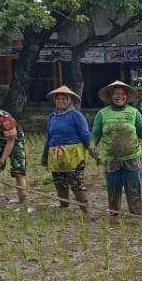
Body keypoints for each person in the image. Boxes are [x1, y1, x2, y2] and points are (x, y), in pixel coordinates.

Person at [91, 80, 142, 216]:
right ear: (111, 96)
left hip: (132, 158)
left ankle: (136, 216)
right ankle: (114, 217)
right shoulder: (102, 114)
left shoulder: (134, 112)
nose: (119, 96)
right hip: (111, 159)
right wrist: (92, 145)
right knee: (113, 191)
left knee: (134, 190)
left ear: (127, 96)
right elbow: (95, 133)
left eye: (122, 94)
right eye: (116, 93)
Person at [40, 85, 93, 214]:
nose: (61, 101)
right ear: (55, 100)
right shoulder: (52, 117)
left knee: (76, 183)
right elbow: (49, 137)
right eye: (58, 99)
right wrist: (45, 155)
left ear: (70, 100)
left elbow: (85, 135)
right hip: (56, 155)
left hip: (73, 155)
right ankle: (64, 207)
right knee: (60, 183)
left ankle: (85, 211)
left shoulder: (76, 115)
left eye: (64, 98)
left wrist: (94, 152)